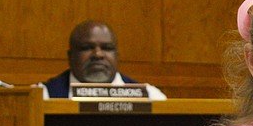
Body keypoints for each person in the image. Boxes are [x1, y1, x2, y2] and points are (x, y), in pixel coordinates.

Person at [39, 20, 167, 100]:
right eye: (87, 48)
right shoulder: (42, 97)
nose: (98, 54)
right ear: (70, 56)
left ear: (117, 56)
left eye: (107, 48)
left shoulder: (151, 97)